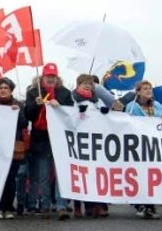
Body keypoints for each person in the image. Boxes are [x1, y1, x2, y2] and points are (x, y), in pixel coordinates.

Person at [24, 62, 74, 220]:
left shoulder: (65, 93)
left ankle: (61, 205)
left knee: (61, 174)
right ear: (43, 76)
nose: (51, 79)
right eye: (48, 76)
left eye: (53, 76)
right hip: (41, 138)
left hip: (59, 138)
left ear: (57, 77)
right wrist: (36, 105)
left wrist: (60, 106)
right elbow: (28, 115)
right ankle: (45, 205)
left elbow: (70, 113)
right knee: (44, 175)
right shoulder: (33, 92)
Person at [125, 80, 162, 219]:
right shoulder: (131, 107)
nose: (148, 91)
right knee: (140, 174)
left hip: (154, 146)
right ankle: (141, 204)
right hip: (138, 146)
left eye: (150, 89)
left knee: (152, 175)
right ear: (138, 92)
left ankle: (150, 205)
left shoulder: (158, 106)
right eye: (145, 89)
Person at [72, 74, 108, 218]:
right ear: (78, 85)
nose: (87, 86)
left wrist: (104, 112)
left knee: (92, 173)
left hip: (94, 142)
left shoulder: (97, 100)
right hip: (78, 141)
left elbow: (105, 113)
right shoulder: (72, 98)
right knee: (77, 173)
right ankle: (77, 206)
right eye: (84, 83)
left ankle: (94, 205)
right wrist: (78, 113)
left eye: (90, 84)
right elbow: (66, 116)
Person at [0, 77, 27, 219]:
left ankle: (8, 208)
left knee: (11, 178)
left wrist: (17, 112)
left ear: (11, 90)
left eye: (6, 88)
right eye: (0, 88)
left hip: (13, 147)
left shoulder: (18, 104)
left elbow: (24, 123)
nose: (3, 90)